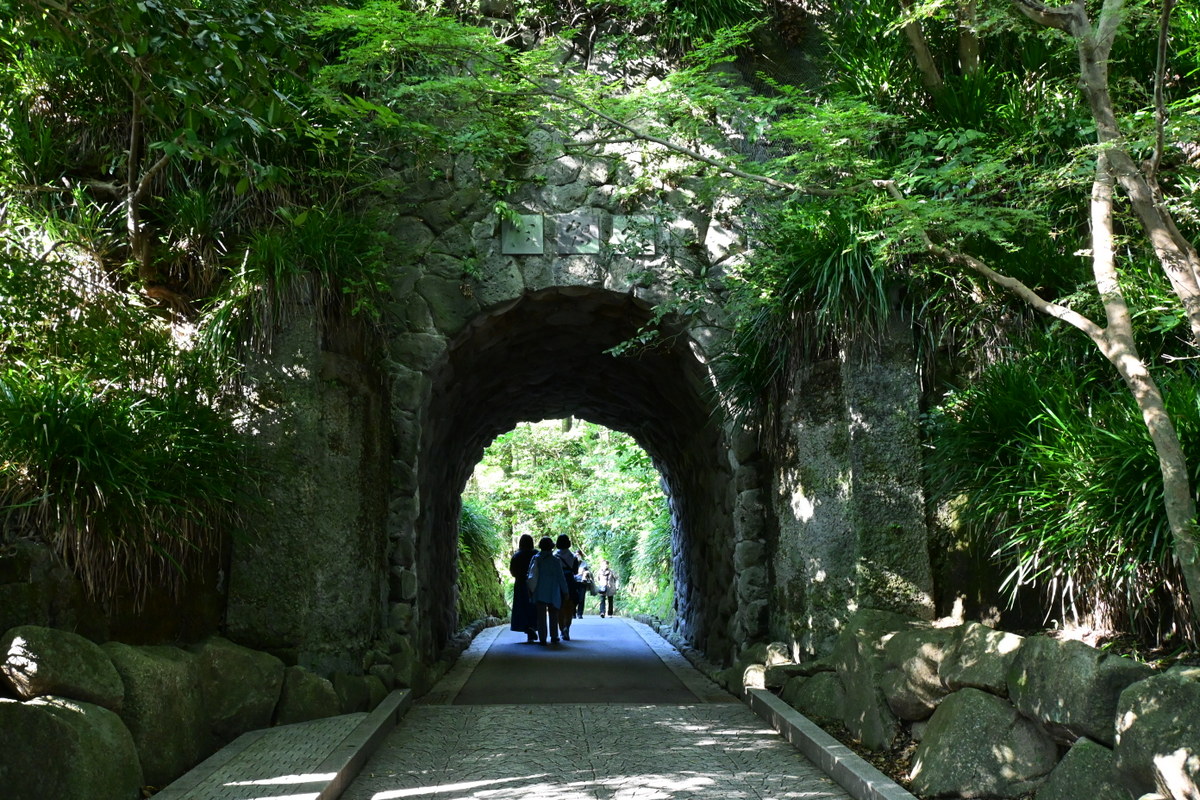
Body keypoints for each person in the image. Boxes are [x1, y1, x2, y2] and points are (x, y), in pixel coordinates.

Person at [529, 536, 569, 644]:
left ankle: (542, 638)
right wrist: (565, 591)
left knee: (541, 616)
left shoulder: (535, 558)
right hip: (552, 591)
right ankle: (554, 636)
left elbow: (531, 575)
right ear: (551, 547)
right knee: (553, 614)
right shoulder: (555, 560)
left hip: (539, 591)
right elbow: (561, 577)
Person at [508, 534, 537, 642]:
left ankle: (526, 628)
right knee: (533, 607)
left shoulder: (517, 556)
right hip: (534, 584)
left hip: (520, 583)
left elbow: (513, 572)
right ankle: (532, 626)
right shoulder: (536, 554)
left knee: (522, 607)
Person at [552, 535, 580, 640]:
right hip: (570, 582)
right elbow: (576, 571)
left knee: (560, 607)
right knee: (570, 606)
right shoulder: (573, 557)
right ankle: (567, 628)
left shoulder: (554, 556)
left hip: (558, 582)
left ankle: (562, 629)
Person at [574, 554, 593, 620]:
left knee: (581, 598)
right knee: (574, 598)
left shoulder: (584, 563)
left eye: (578, 555)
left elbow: (589, 572)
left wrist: (585, 573)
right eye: (576, 555)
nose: (577, 556)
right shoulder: (571, 561)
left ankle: (580, 614)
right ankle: (573, 613)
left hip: (582, 582)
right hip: (574, 582)